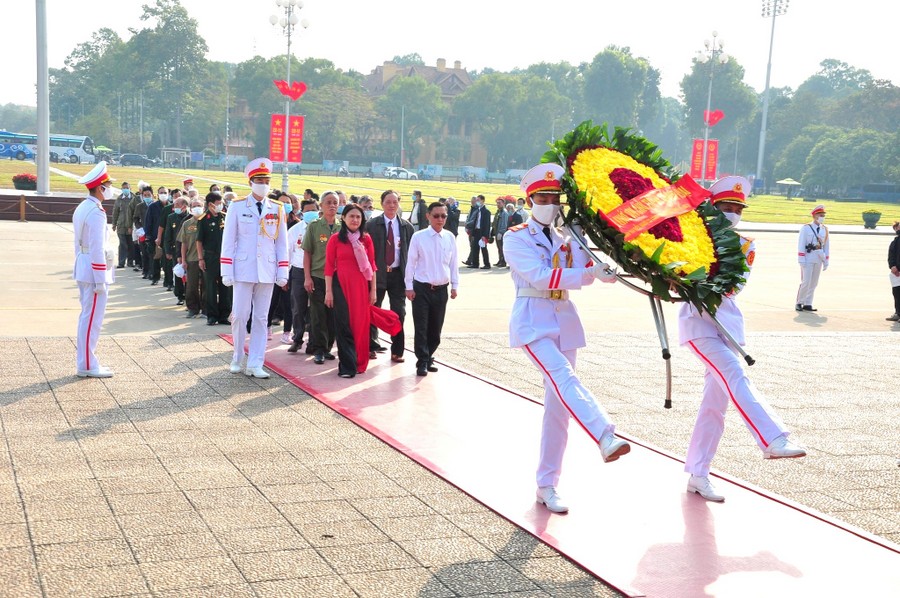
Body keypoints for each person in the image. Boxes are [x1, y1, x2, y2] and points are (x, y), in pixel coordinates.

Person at [504, 163, 627, 514]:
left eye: (553, 197)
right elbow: (541, 277)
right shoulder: (516, 236)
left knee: (558, 409)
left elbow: (581, 274)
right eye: (541, 197)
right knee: (564, 377)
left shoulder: (566, 237)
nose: (549, 202)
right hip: (533, 321)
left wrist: (600, 270)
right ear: (529, 200)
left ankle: (547, 484)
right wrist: (585, 273)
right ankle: (605, 434)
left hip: (565, 321)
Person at [680, 176, 806, 503]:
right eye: (726, 207)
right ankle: (772, 438)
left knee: (713, 408)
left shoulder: (746, 244)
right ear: (713, 207)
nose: (732, 213)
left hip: (727, 329)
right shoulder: (690, 237)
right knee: (735, 374)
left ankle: (698, 473)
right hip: (698, 326)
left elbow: (734, 285)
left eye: (737, 208)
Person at [221, 158, 289, 378]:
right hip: (243, 268)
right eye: (259, 180)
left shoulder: (277, 208)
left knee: (261, 318)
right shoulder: (238, 206)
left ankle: (256, 362)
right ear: (251, 182)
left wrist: (283, 271)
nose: (263, 184)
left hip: (267, 270)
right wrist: (226, 270)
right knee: (240, 315)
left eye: (266, 180)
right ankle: (237, 357)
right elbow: (229, 240)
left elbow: (281, 243)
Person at [405, 202, 459, 377]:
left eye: (443, 216)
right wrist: (409, 286)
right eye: (436, 216)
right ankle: (422, 361)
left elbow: (453, 263)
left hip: (441, 289)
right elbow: (411, 263)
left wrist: (455, 286)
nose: (440, 219)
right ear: (428, 216)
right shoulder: (419, 237)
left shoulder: (450, 237)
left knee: (436, 329)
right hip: (421, 288)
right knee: (421, 326)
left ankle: (429, 355)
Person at [324, 204, 379, 378]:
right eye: (351, 216)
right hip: (340, 287)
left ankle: (359, 361)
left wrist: (373, 291)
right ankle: (347, 366)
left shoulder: (366, 239)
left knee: (360, 326)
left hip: (361, 288)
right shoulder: (335, 239)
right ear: (344, 218)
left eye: (358, 217)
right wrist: (328, 291)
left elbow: (372, 266)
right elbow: (328, 267)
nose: (355, 220)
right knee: (343, 325)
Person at [72, 161, 116, 378]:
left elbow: (79, 244)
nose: (110, 189)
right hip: (93, 269)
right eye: (108, 185)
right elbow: (97, 248)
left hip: (83, 265)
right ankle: (88, 365)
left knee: (87, 317)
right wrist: (101, 279)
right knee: (92, 320)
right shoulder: (97, 211)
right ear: (100, 188)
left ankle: (87, 361)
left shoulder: (83, 206)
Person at [367, 190, 415, 363]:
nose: (392, 205)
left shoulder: (406, 227)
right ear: (382, 204)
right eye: (388, 202)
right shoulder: (372, 225)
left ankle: (397, 350)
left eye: (395, 202)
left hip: (397, 276)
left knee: (399, 313)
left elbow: (411, 253)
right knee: (373, 310)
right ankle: (370, 346)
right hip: (377, 275)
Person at [302, 192, 340, 364]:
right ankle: (318, 349)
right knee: (318, 315)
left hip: (337, 278)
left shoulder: (343, 227)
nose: (332, 206)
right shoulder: (315, 226)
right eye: (328, 203)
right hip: (317, 277)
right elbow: (308, 253)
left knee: (333, 316)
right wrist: (307, 278)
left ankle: (327, 348)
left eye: (335, 203)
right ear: (322, 205)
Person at [286, 199, 319, 353]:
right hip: (298, 271)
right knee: (298, 307)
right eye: (307, 211)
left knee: (316, 309)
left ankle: (313, 342)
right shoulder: (295, 230)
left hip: (317, 272)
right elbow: (287, 253)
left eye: (314, 210)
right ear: (302, 213)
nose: (310, 213)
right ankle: (297, 339)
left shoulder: (322, 228)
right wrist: (285, 275)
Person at [196, 192, 231, 326]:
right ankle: (212, 315)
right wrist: (200, 259)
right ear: (211, 204)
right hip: (210, 256)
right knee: (210, 286)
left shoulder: (224, 218)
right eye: (218, 203)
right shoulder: (203, 219)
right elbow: (199, 241)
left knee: (225, 286)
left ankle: (224, 315)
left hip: (224, 256)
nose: (221, 205)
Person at [795, 204, 830, 312]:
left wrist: (826, 260)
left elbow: (826, 246)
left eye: (823, 215)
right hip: (808, 257)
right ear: (814, 215)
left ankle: (808, 303)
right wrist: (801, 259)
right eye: (820, 215)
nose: (822, 217)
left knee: (814, 282)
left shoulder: (825, 229)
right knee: (806, 281)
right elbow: (801, 244)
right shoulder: (806, 228)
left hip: (819, 258)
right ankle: (799, 302)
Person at [177, 196, 205, 318]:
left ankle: (206, 309)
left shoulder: (207, 221)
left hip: (206, 259)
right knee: (191, 286)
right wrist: (183, 259)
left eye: (199, 206)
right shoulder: (187, 224)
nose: (197, 208)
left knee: (206, 286)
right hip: (192, 259)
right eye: (194, 206)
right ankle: (193, 308)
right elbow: (184, 243)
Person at [163, 196, 188, 306]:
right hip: (175, 251)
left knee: (188, 275)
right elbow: (168, 235)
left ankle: (188, 294)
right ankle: (179, 295)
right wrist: (167, 251)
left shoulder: (189, 217)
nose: (174, 207)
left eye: (177, 205)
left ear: (184, 206)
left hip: (189, 251)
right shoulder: (171, 217)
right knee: (178, 273)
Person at [465, 194, 492, 269]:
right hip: (476, 231)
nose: (477, 202)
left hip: (482, 232)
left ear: (482, 201)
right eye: (476, 200)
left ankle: (487, 264)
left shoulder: (486, 212)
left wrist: (485, 235)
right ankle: (475, 263)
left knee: (483, 248)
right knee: (475, 248)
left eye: (478, 200)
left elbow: (487, 224)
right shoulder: (477, 210)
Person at [111, 182, 133, 269]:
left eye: (127, 188)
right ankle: (121, 262)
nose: (125, 189)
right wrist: (114, 223)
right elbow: (115, 212)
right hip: (121, 225)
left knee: (131, 244)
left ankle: (130, 262)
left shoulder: (134, 199)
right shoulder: (119, 199)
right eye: (124, 188)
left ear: (130, 188)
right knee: (122, 244)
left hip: (130, 226)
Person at [491, 197, 511, 268]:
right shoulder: (498, 212)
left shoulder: (504, 213)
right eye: (497, 203)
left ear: (503, 204)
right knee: (499, 248)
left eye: (499, 203)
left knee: (502, 247)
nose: (498, 204)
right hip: (497, 232)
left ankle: (503, 262)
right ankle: (500, 260)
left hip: (501, 233)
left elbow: (504, 224)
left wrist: (501, 232)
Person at [887, 221, 900, 321]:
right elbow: (891, 256)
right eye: (896, 228)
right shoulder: (895, 242)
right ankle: (898, 313)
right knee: (896, 293)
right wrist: (892, 267)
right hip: (896, 273)